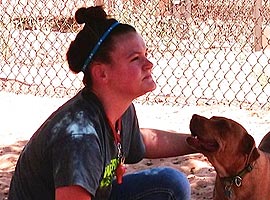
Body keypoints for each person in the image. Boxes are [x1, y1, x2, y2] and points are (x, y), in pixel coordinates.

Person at [8, 6, 196, 200]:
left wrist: (196, 143)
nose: (149, 64)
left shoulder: (121, 110)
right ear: (101, 73)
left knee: (171, 184)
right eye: (135, 58)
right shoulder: (80, 138)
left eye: (146, 54)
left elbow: (141, 141)